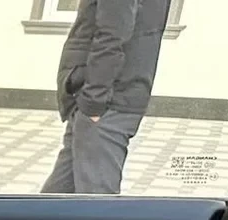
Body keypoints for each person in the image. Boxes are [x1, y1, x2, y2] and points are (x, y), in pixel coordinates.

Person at [42, 0, 171, 195]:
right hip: (104, 98)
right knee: (56, 198)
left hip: (105, 103)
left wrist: (93, 101)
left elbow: (113, 34)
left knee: (97, 205)